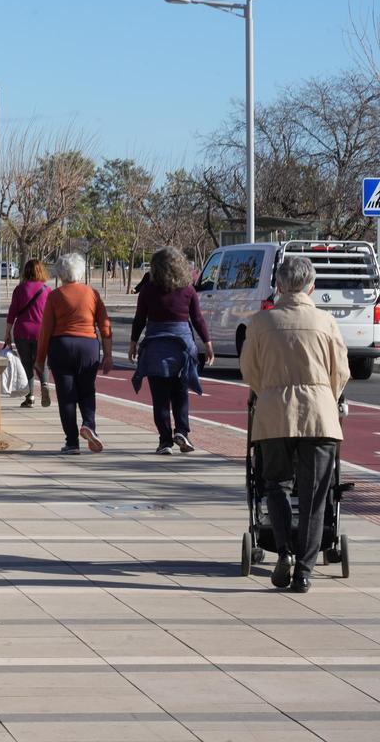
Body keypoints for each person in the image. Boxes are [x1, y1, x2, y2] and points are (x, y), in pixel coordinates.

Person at [241, 256, 348, 594]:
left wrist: (269, 392)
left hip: (274, 414)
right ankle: (304, 570)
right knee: (316, 495)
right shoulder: (326, 322)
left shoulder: (260, 323)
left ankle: (284, 551)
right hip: (319, 416)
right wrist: (327, 395)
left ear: (279, 285)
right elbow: (340, 371)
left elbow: (250, 370)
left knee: (275, 485)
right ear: (311, 286)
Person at [128, 246, 215, 455]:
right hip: (182, 349)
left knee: (160, 399)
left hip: (156, 348)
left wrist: (133, 342)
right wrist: (208, 343)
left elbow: (140, 319)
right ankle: (182, 431)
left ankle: (165, 440)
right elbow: (197, 319)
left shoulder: (148, 290)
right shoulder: (188, 290)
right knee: (180, 394)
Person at [34, 253, 113, 454]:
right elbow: (105, 326)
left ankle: (72, 442)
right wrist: (109, 355)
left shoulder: (54, 296)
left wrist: (40, 359)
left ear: (60, 274)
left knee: (66, 395)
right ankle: (89, 425)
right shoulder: (92, 293)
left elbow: (46, 330)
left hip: (62, 346)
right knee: (87, 390)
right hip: (88, 347)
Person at [3, 260, 52, 408]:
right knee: (41, 361)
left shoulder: (19, 289)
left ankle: (30, 396)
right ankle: (44, 384)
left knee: (26, 364)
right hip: (41, 332)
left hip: (22, 331)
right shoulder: (47, 290)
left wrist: (7, 333)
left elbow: (12, 313)